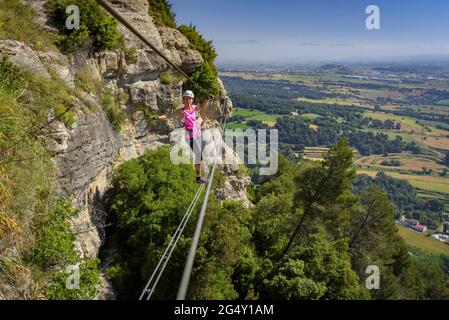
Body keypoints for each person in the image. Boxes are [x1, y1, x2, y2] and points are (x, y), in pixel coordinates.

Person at [155, 90, 212, 184]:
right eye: (186, 99)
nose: (188, 100)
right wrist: (158, 117)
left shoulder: (194, 108)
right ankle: (198, 178)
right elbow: (169, 115)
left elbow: (202, 107)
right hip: (190, 136)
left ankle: (198, 177)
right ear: (183, 99)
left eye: (190, 99)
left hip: (197, 134)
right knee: (198, 156)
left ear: (192, 100)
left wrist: (207, 99)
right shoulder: (181, 111)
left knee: (199, 155)